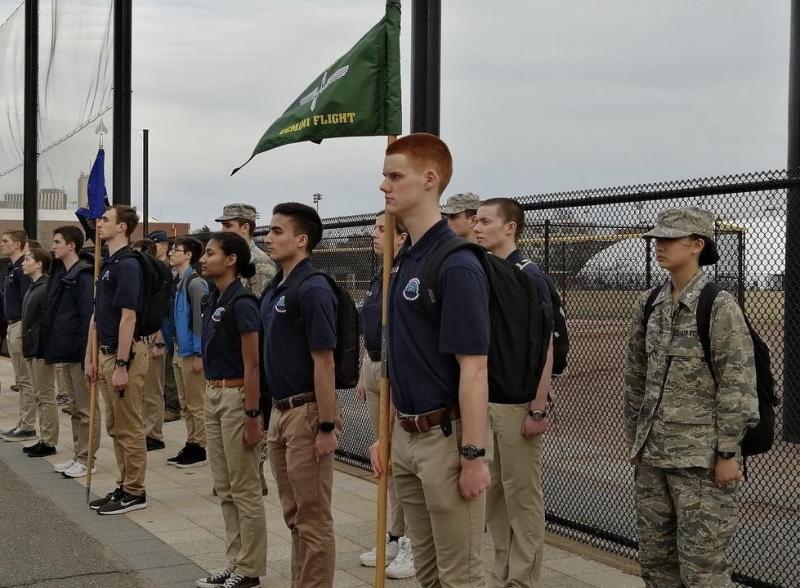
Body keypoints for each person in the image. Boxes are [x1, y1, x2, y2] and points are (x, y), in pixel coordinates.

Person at [371, 133, 492, 588]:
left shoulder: (455, 262)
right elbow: (396, 359)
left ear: (429, 179)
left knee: (459, 576)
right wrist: (386, 433)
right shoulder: (405, 260)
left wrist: (474, 455)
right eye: (384, 175)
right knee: (428, 574)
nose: (384, 185)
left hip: (445, 438)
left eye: (394, 175)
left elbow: (474, 367)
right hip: (405, 434)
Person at [624, 207, 759, 587]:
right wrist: (635, 438)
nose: (660, 246)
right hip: (652, 457)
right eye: (657, 240)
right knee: (656, 563)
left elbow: (738, 382)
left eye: (669, 239)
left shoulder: (717, 305)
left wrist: (728, 452)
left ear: (698, 245)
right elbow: (636, 374)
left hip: (701, 461)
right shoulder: (650, 303)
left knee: (702, 569)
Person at [474, 197, 554, 588]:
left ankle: (522, 579)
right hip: (489, 400)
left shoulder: (529, 274)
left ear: (511, 227)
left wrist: (538, 408)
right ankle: (501, 573)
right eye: (475, 220)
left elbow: (549, 344)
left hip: (518, 405)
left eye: (486, 221)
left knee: (522, 500)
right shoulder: (489, 271)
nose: (477, 227)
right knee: (495, 500)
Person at [262, 202, 341, 587]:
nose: (268, 237)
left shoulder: (312, 289)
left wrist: (325, 424)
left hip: (307, 412)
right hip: (280, 413)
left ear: (302, 239)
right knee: (294, 514)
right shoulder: (276, 287)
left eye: (277, 231)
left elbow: (323, 361)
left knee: (312, 517)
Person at [195, 232, 266, 588]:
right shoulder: (213, 298)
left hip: (237, 397)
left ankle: (250, 568)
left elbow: (253, 364)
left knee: (244, 487)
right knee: (224, 486)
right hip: (213, 395)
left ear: (231, 260)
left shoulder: (243, 302)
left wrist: (253, 416)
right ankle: (234, 559)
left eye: (210, 253)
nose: (203, 259)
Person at [356, 211, 415, 579]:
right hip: (375, 366)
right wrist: (366, 365)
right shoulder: (382, 273)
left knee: (402, 458)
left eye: (381, 229)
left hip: (398, 372)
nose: (373, 234)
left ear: (403, 237)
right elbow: (375, 325)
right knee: (385, 457)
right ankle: (393, 534)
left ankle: (410, 541)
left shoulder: (407, 273)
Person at [85, 205, 149, 515]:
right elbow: (99, 315)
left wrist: (122, 365)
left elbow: (128, 317)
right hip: (106, 352)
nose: (99, 224)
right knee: (115, 425)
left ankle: (136, 490)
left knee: (129, 426)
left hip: (125, 354)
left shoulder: (127, 265)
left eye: (105, 219)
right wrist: (90, 357)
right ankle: (124, 484)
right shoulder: (108, 263)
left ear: (122, 227)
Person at [217, 202, 276, 496]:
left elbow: (261, 311)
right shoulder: (230, 261)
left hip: (253, 349)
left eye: (229, 225)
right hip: (231, 350)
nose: (224, 230)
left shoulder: (260, 263)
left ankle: (257, 470)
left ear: (245, 227)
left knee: (256, 410)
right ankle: (237, 470)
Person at [44, 226, 100, 479]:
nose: (53, 246)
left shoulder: (83, 276)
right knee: (76, 408)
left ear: (71, 246)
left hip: (79, 353)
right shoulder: (61, 273)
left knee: (87, 409)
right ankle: (78, 454)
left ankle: (88, 458)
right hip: (64, 350)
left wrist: (87, 355)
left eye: (57, 242)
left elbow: (88, 317)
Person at [165, 236, 209, 468]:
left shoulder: (195, 283)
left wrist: (199, 353)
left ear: (189, 255)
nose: (171, 253)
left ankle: (199, 446)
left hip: (192, 352)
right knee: (185, 402)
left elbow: (200, 320)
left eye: (176, 250)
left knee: (195, 402)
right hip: (179, 350)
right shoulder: (180, 282)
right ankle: (191, 441)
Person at [19, 247, 58, 457]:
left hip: (41, 349)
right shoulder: (34, 287)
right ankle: (44, 438)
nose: (23, 262)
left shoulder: (46, 287)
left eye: (28, 259)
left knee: (45, 395)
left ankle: (49, 441)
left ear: (39, 264)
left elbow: (47, 321)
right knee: (38, 395)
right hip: (32, 348)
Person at [132, 238, 168, 451]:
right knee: (141, 390)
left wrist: (160, 341)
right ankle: (145, 428)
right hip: (139, 338)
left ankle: (154, 433)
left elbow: (163, 309)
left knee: (153, 390)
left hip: (154, 337)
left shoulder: (159, 274)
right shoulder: (137, 274)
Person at [1, 229, 34, 441]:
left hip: (20, 325)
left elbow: (27, 300)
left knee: (25, 379)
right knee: (21, 378)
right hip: (12, 324)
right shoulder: (12, 268)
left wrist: (23, 328)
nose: (2, 244)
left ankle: (28, 423)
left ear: (18, 244)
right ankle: (23, 420)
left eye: (6, 241)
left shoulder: (22, 269)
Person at [148, 229, 181, 424]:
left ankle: (173, 406)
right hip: (161, 323)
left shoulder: (169, 269)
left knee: (168, 369)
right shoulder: (157, 266)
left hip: (169, 324)